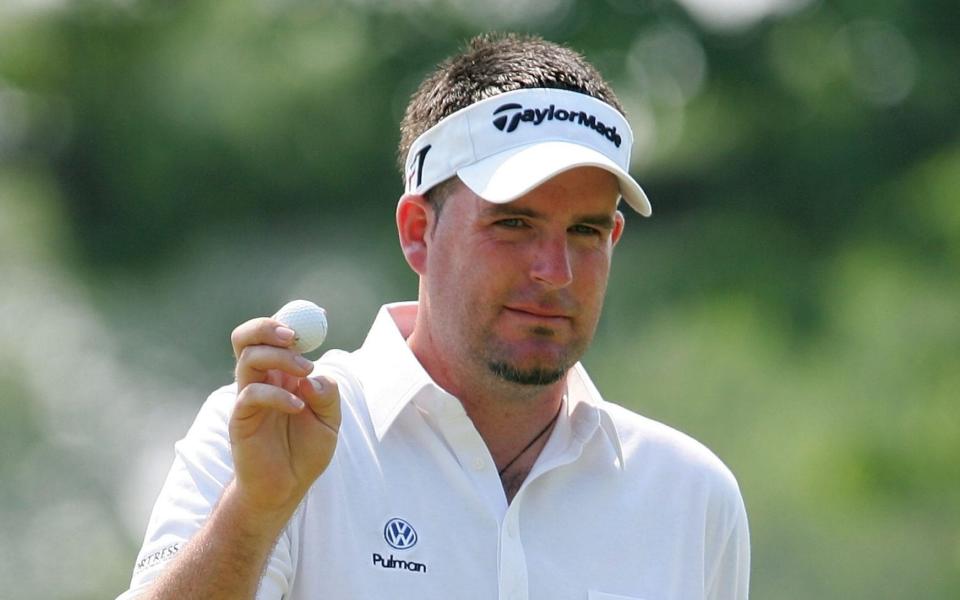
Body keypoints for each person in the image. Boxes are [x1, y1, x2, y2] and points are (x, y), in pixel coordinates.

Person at [117, 33, 750, 600]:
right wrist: (253, 514)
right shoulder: (269, 435)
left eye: (584, 231)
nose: (554, 270)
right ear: (418, 231)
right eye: (514, 223)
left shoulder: (692, 496)